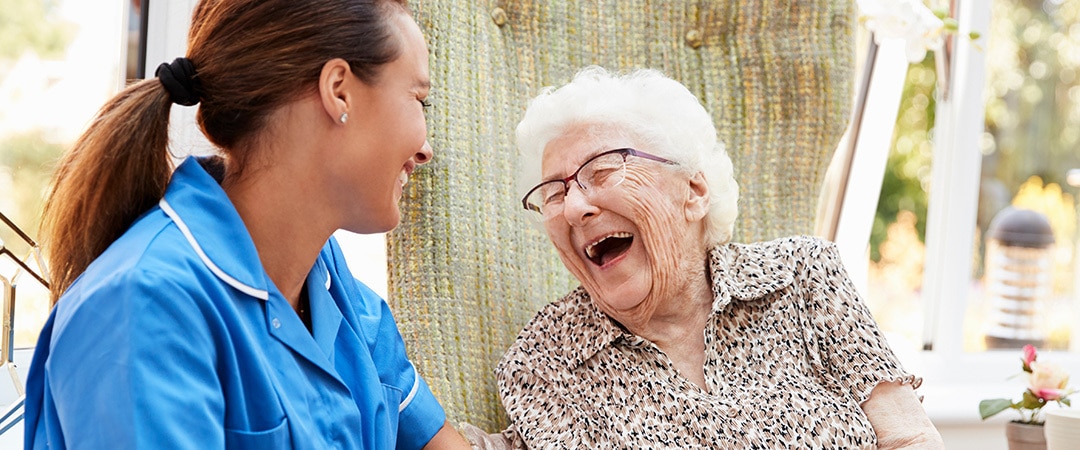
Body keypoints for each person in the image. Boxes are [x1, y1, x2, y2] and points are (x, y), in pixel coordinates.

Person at [24, 0, 472, 448]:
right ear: (339, 90)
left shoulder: (334, 290)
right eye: (419, 100)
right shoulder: (141, 306)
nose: (426, 148)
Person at [463, 67, 944, 449]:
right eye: (553, 193)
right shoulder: (548, 357)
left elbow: (909, 438)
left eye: (604, 169)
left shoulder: (802, 277)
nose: (573, 206)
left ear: (693, 192)